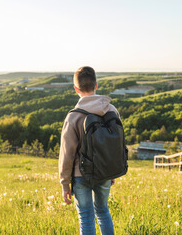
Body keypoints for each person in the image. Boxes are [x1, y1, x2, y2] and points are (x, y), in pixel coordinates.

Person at [59, 66, 119, 235]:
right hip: (105, 172)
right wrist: (112, 171)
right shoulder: (111, 110)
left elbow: (67, 154)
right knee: (103, 211)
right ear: (96, 85)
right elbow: (116, 144)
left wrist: (65, 184)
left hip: (81, 174)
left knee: (86, 217)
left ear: (75, 89)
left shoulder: (73, 116)